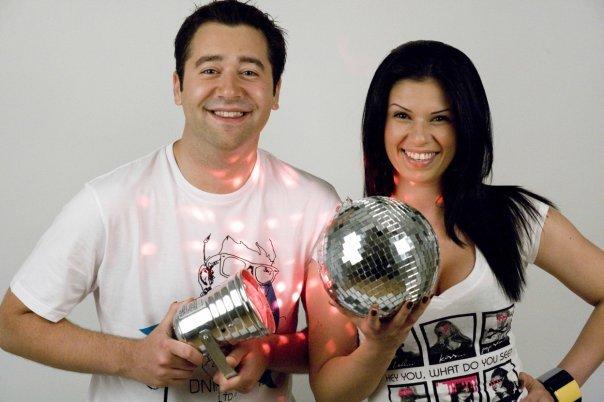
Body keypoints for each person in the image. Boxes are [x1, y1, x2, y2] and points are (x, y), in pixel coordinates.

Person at [0, 1, 339, 401]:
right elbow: (13, 323)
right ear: (178, 87)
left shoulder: (313, 203)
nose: (229, 90)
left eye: (249, 72)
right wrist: (131, 358)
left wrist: (269, 351)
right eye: (209, 70)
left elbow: (332, 349)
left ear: (275, 91)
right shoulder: (109, 202)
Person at [306, 40, 603, 402]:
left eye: (440, 118)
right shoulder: (344, 244)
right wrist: (380, 345)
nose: (419, 137)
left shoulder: (510, 216)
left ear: (465, 124)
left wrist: (560, 388)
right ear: (380, 123)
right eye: (402, 116)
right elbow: (330, 395)